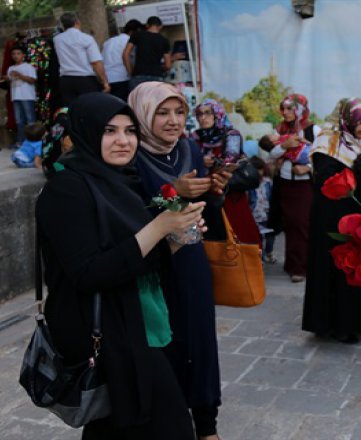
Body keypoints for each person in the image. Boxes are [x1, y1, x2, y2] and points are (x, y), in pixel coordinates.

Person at [36, 92, 203, 438]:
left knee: (118, 427)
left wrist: (176, 236)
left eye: (130, 131)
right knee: (167, 425)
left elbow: (137, 260)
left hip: (135, 323)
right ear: (85, 133)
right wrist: (159, 227)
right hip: (105, 333)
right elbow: (89, 273)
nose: (123, 141)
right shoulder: (66, 190)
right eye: (109, 131)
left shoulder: (121, 182)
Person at [128, 82, 231, 440]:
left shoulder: (188, 148)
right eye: (162, 112)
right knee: (164, 344)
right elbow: (129, 213)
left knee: (200, 340)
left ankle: (207, 426)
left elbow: (202, 210)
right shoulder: (130, 154)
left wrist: (214, 192)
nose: (173, 120)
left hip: (190, 259)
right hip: (152, 266)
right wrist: (173, 192)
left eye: (179, 112)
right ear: (142, 114)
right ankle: (171, 423)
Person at [302, 97, 361, 344]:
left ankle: (352, 321)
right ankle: (333, 325)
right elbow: (326, 180)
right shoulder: (327, 141)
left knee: (351, 268)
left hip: (354, 213)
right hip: (331, 216)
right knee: (331, 267)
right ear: (349, 119)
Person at [191, 99, 261, 246]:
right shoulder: (195, 137)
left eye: (208, 113)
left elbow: (230, 162)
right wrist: (200, 161)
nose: (203, 118)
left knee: (237, 240)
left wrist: (210, 163)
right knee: (210, 243)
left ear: (218, 114)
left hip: (229, 197)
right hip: (203, 198)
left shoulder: (231, 135)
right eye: (199, 114)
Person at [269, 93, 319, 282]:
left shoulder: (313, 129)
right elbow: (270, 154)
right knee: (290, 224)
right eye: (283, 108)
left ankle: (301, 267)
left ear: (300, 109)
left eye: (290, 108)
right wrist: (285, 146)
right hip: (285, 183)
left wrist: (308, 168)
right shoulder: (280, 129)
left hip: (304, 183)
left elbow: (323, 154)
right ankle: (291, 264)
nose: (285, 112)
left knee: (301, 223)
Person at [53, 13, 110, 106]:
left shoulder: (57, 40)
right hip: (85, 79)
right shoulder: (86, 38)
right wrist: (105, 81)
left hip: (66, 80)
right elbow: (96, 62)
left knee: (72, 108)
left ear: (63, 25)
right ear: (77, 22)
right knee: (90, 107)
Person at [124, 16, 170, 92]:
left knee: (137, 99)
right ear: (160, 26)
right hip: (157, 77)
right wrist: (159, 68)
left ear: (147, 25)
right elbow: (168, 65)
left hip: (138, 75)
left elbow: (125, 54)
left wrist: (130, 71)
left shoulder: (137, 35)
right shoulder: (164, 41)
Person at [4, 46, 38, 147]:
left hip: (27, 96)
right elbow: (10, 81)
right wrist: (7, 79)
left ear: (23, 55)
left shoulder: (28, 67)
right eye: (13, 54)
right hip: (16, 96)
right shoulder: (10, 68)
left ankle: (33, 141)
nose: (16, 56)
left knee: (30, 120)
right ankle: (21, 141)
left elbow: (32, 80)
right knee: (19, 121)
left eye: (18, 53)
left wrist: (19, 75)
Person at [247, 155, 278, 263]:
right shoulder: (248, 183)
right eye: (256, 169)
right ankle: (260, 255)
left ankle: (269, 252)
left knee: (270, 235)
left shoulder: (267, 182)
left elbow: (273, 196)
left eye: (260, 169)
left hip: (267, 212)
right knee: (257, 236)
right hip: (255, 213)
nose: (258, 172)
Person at [102, 19, 141, 102]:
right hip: (122, 78)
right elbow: (131, 60)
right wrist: (132, 74)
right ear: (133, 32)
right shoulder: (130, 42)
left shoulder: (108, 41)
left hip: (107, 79)